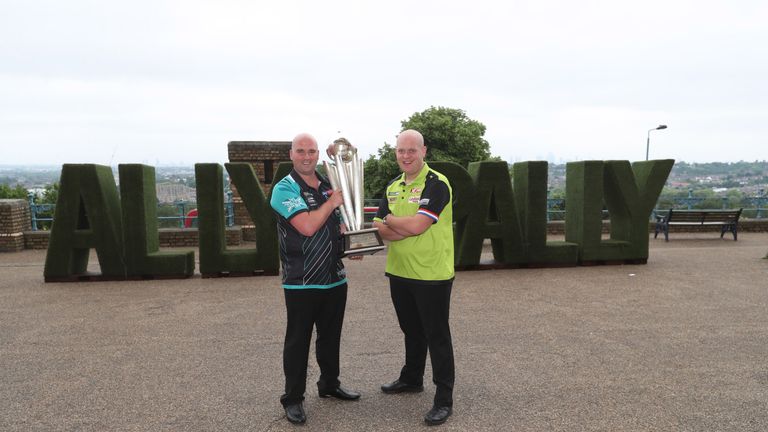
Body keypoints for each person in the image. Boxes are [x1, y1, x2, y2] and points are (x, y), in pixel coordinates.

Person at [270, 133, 361, 425]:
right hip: (302, 281)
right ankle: (293, 399)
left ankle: (329, 384)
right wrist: (333, 203)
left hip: (334, 277)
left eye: (311, 151)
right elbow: (308, 226)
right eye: (301, 151)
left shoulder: (325, 183)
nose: (306, 156)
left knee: (330, 337)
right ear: (291, 154)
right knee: (298, 341)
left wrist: (350, 239)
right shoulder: (284, 188)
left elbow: (338, 221)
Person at [372, 129, 456, 426]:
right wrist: (399, 226)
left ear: (424, 151)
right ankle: (412, 378)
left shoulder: (437, 184)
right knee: (411, 329)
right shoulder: (393, 185)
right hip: (399, 270)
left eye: (412, 150)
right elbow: (378, 228)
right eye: (400, 151)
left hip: (431, 273)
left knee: (437, 335)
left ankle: (444, 399)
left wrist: (394, 222)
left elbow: (418, 226)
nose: (406, 156)